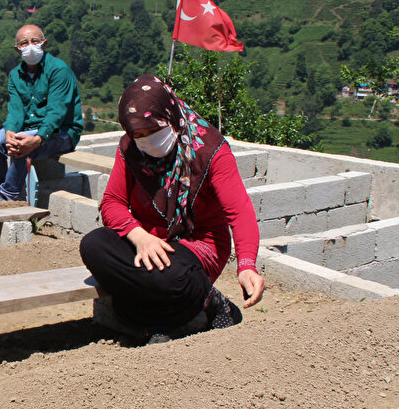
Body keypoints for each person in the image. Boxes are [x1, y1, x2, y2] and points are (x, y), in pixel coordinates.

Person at [80, 75, 265, 344]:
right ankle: (169, 319)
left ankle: (211, 303)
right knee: (94, 245)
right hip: (147, 241)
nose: (145, 141)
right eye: (137, 135)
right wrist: (139, 237)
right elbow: (112, 202)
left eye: (152, 132)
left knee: (170, 276)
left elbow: (240, 211)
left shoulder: (210, 151)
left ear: (170, 119)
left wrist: (246, 265)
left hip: (197, 244)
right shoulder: (130, 149)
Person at [0, 24, 84, 201]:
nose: (30, 46)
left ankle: (10, 196)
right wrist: (10, 132)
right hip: (29, 129)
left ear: (44, 43)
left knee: (23, 144)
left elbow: (56, 112)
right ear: (17, 49)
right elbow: (16, 110)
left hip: (61, 132)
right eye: (24, 43)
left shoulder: (58, 70)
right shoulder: (15, 75)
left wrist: (38, 138)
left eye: (35, 41)